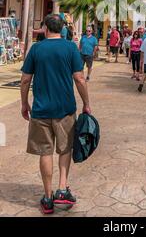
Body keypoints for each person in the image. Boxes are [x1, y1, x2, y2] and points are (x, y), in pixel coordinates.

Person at [20, 14, 91, 215]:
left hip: (41, 110)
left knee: (45, 152)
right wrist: (86, 103)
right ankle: (62, 189)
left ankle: (48, 197)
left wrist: (25, 104)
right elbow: (79, 79)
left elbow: (25, 80)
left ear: (44, 28)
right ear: (61, 28)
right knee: (65, 149)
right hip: (65, 109)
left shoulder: (36, 49)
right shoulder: (70, 48)